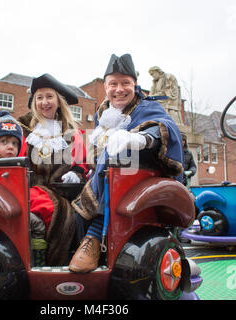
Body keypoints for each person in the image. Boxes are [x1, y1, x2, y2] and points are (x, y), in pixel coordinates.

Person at [0, 74, 88, 266]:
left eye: (49, 96)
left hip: (64, 192)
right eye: (39, 97)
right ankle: (36, 261)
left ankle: (50, 261)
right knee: (40, 207)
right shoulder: (21, 128)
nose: (44, 102)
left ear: (59, 101)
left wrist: (76, 172)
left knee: (62, 211)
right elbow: (4, 154)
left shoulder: (72, 134)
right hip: (25, 189)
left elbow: (82, 161)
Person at [69, 54, 184, 273]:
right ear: (105, 87)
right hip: (108, 178)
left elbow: (167, 127)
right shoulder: (104, 114)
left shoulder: (147, 107)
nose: (119, 89)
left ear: (135, 85)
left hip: (139, 176)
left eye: (125, 83)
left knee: (116, 158)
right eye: (113, 84)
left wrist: (141, 139)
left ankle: (93, 236)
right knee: (74, 206)